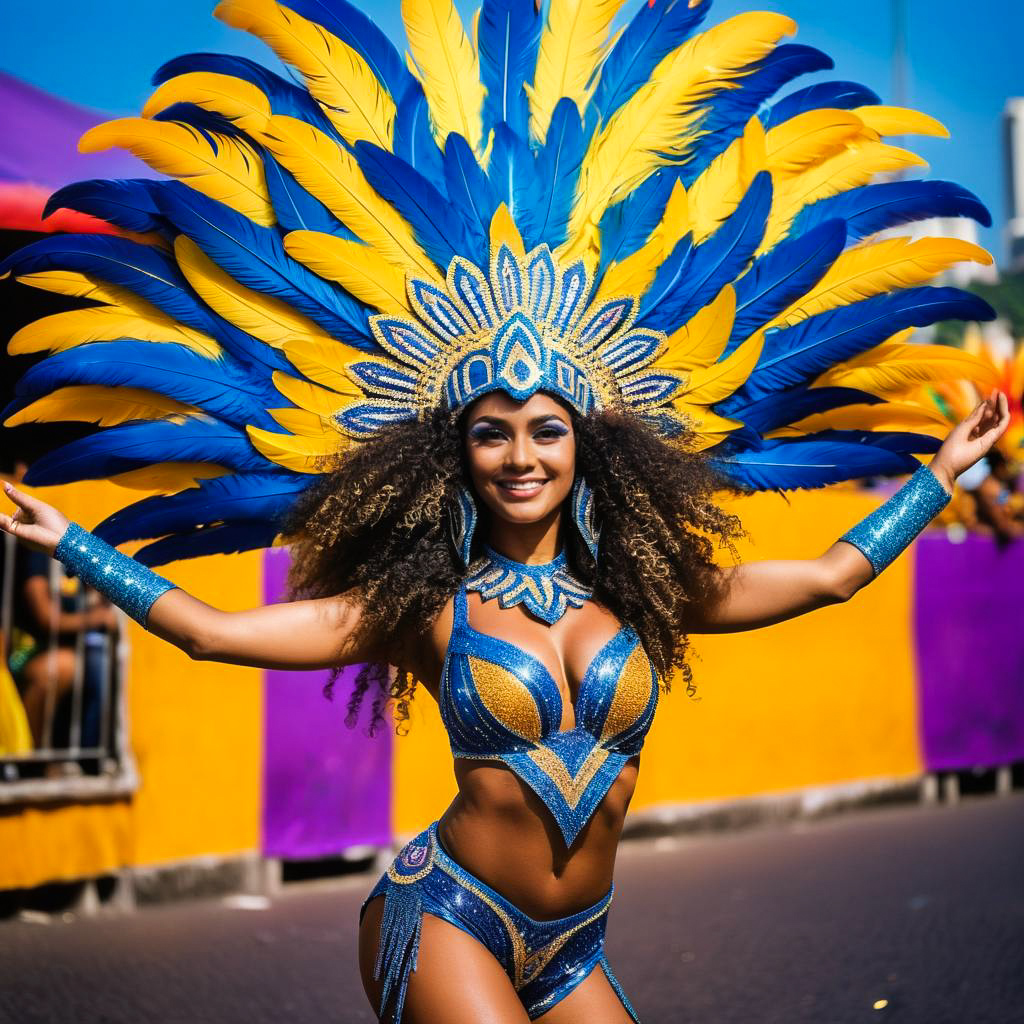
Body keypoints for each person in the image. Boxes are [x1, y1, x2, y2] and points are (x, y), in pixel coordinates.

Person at [0, 2, 1012, 1020]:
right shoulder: (424, 605)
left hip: (575, 946)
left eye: (546, 431)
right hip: (448, 915)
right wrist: (76, 542)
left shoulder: (642, 591)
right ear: (457, 456)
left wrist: (939, 478)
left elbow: (833, 575)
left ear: (590, 448)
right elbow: (215, 634)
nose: (521, 454)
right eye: (492, 433)